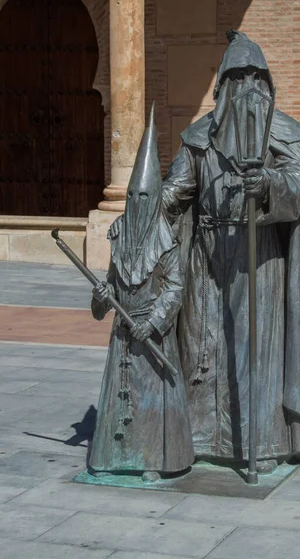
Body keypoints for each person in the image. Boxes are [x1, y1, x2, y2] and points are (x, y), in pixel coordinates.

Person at [161, 30, 300, 472]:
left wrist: (267, 185)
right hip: (206, 259)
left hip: (259, 258)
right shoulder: (199, 136)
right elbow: (177, 189)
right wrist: (145, 207)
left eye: (254, 78)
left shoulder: (282, 133)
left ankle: (259, 443)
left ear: (266, 83)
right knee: (202, 349)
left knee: (252, 350)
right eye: (237, 77)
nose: (247, 87)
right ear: (222, 83)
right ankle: (205, 439)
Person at [89, 105, 194, 482]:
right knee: (121, 396)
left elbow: (174, 287)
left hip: (151, 335)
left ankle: (154, 458)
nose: (137, 202)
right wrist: (103, 295)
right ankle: (117, 457)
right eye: (133, 194)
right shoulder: (119, 235)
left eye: (145, 195)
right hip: (123, 335)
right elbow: (112, 286)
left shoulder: (166, 239)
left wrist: (151, 324)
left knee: (151, 398)